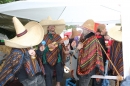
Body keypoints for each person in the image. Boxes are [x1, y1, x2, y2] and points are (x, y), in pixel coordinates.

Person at [0, 17, 46, 86]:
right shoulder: (16, 51)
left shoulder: (29, 46)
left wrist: (40, 51)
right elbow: (15, 66)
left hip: (37, 73)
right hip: (27, 78)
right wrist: (27, 54)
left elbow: (36, 57)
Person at [75, 19, 104, 86]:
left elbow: (89, 57)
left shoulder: (92, 40)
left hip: (87, 68)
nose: (82, 30)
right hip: (85, 67)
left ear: (88, 30)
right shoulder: (87, 38)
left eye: (84, 29)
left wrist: (79, 50)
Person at [39, 17, 67, 86]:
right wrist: (47, 47)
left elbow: (62, 48)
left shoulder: (58, 36)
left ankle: (58, 83)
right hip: (47, 59)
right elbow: (41, 49)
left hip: (58, 58)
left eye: (53, 26)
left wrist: (60, 45)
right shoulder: (44, 37)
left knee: (60, 71)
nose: (52, 27)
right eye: (50, 26)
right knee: (48, 76)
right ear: (48, 28)